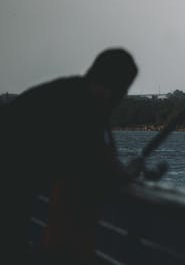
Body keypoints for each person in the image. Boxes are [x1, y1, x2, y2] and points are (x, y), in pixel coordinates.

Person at [1, 48, 139, 264]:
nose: (121, 98)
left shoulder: (72, 93)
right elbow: (102, 161)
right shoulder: (82, 108)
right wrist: (127, 171)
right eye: (122, 91)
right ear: (114, 88)